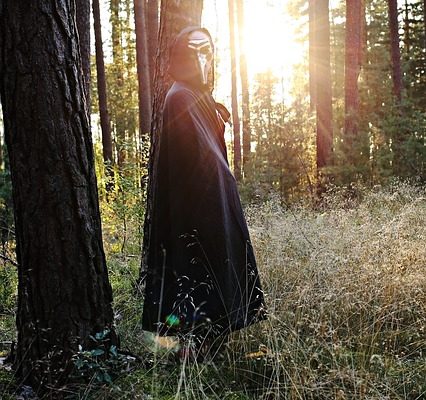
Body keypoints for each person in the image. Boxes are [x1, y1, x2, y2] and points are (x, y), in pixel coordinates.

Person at [141, 26, 267, 359]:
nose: (202, 58)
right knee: (196, 272)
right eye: (194, 50)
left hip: (213, 202)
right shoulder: (180, 95)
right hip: (195, 207)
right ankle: (192, 351)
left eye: (207, 50)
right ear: (181, 55)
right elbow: (195, 158)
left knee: (215, 271)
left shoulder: (196, 96)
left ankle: (208, 346)